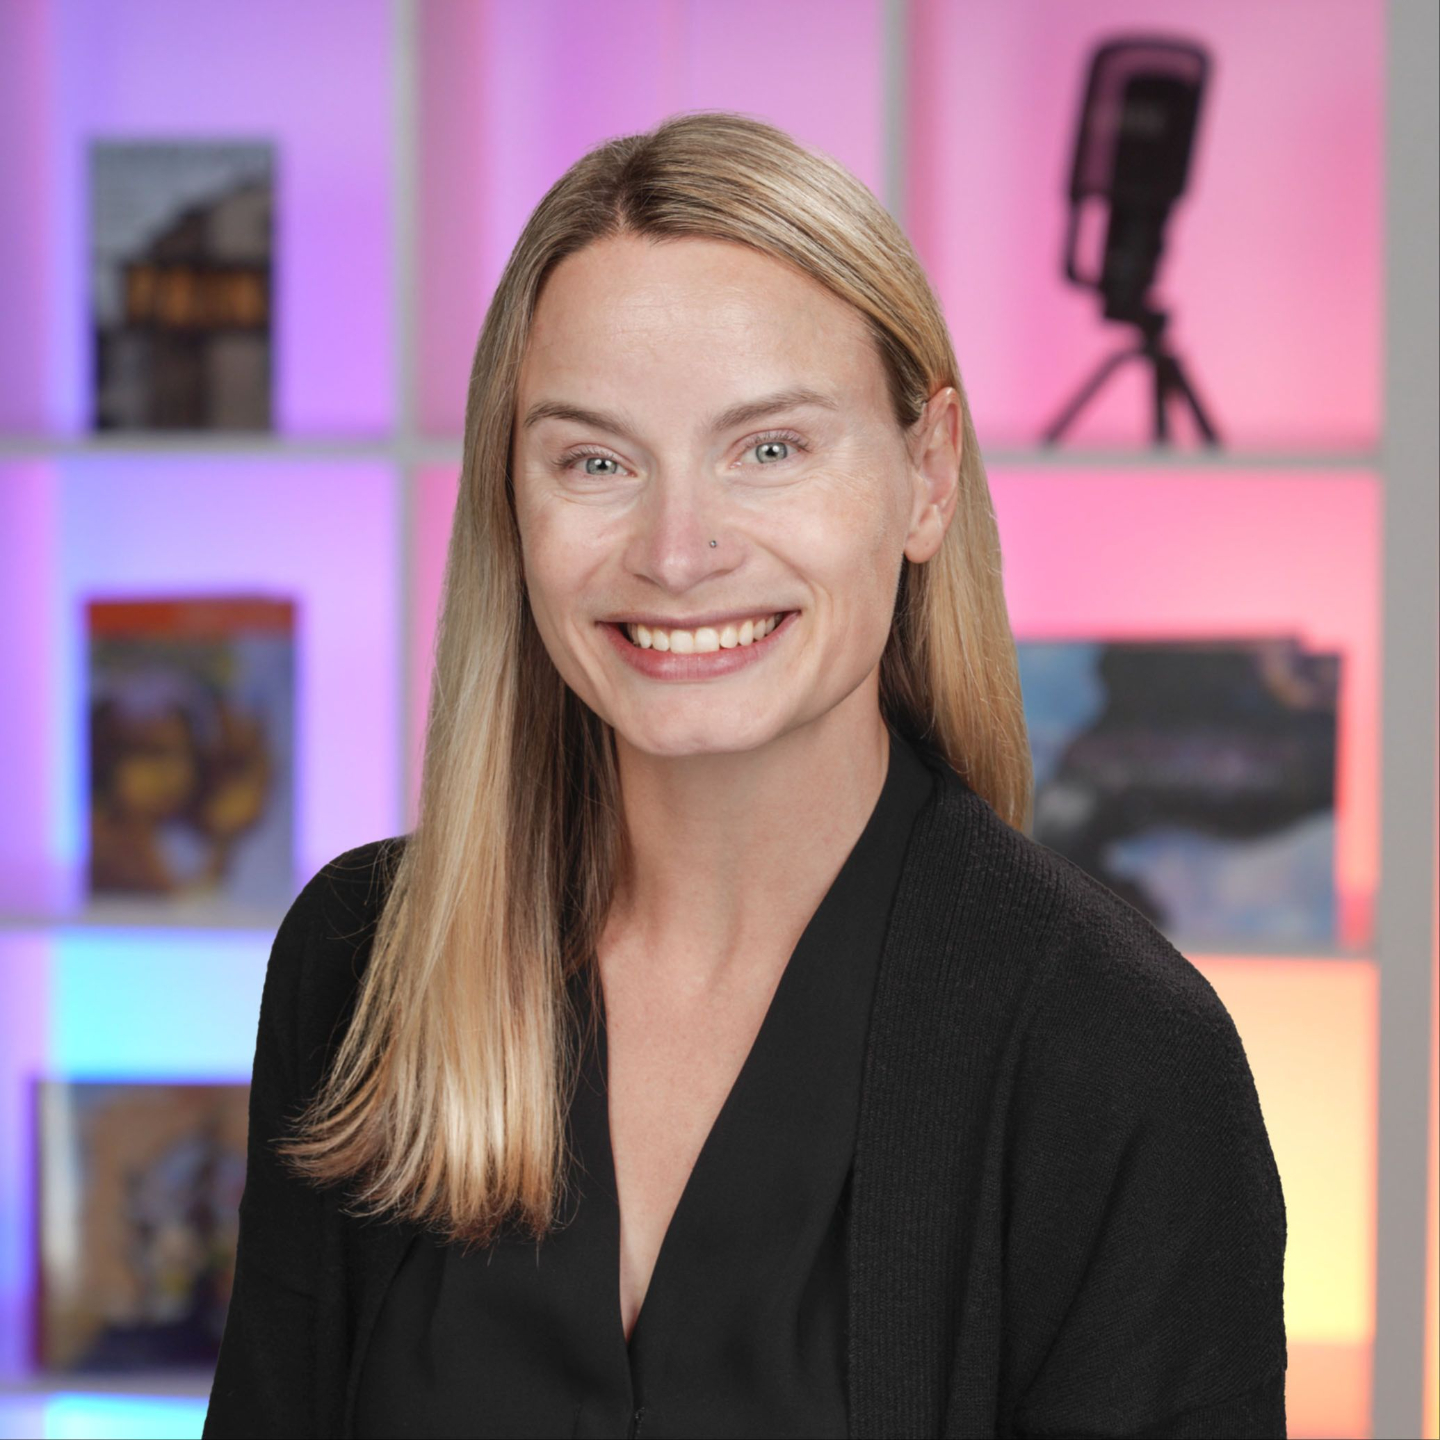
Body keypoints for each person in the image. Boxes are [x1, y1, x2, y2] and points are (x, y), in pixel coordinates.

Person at [203, 111, 1287, 1439]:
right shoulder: (364, 964)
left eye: (769, 449)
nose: (676, 551)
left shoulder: (1117, 1058)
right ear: (512, 503)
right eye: (596, 461)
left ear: (927, 476)